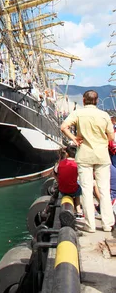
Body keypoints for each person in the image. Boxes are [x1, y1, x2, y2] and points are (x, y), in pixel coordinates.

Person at [61, 89, 115, 232]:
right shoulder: (104, 115)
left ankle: (90, 225)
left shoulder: (78, 113)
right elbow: (111, 136)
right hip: (102, 156)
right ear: (97, 101)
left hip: (84, 155)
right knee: (104, 190)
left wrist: (74, 139)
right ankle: (107, 223)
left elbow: (63, 127)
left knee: (86, 190)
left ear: (83, 101)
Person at [54, 144, 83, 215]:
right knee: (78, 188)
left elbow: (55, 172)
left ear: (66, 154)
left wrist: (58, 180)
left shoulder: (60, 163)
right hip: (73, 189)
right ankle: (78, 209)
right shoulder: (77, 164)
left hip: (62, 190)